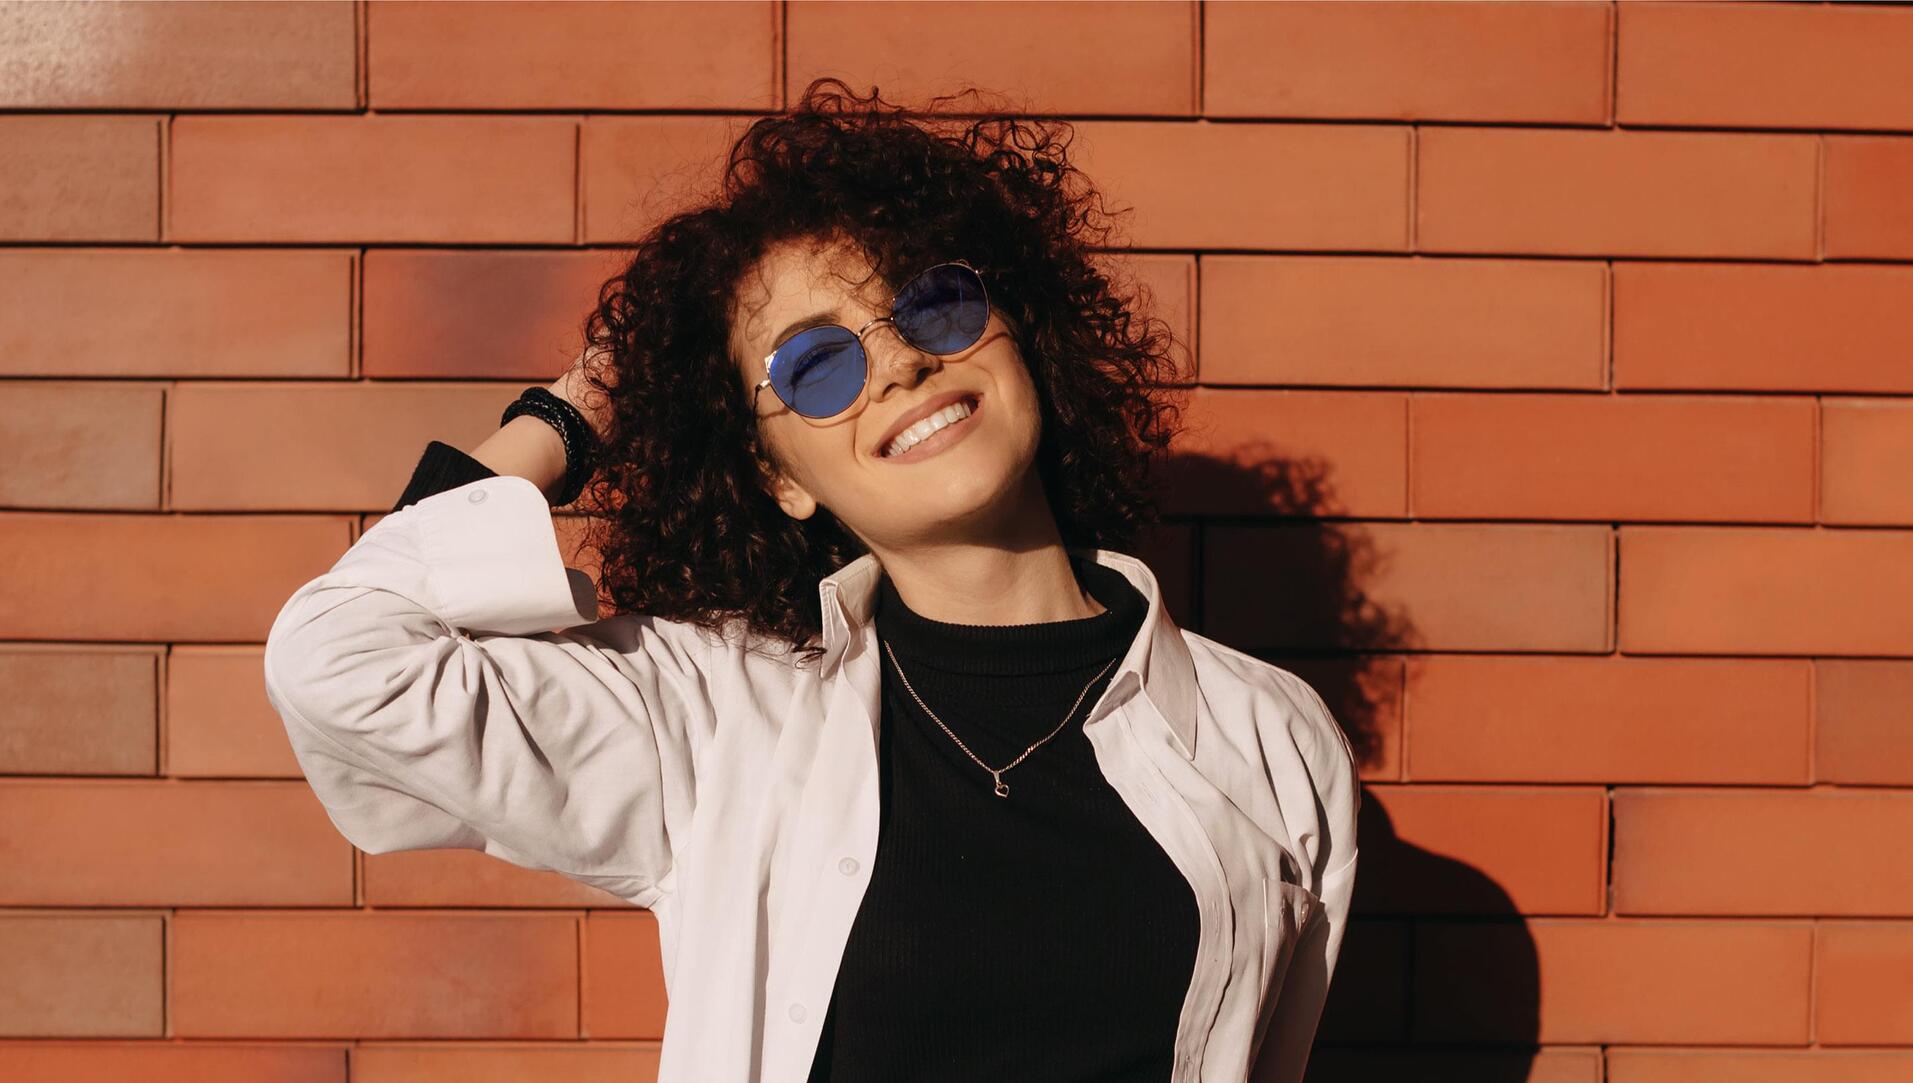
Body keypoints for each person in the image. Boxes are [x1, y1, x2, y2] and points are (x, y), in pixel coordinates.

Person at [263, 78, 1359, 1083]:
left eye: (934, 304)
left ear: (1022, 336)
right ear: (779, 478)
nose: (897, 362)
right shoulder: (717, 720)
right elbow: (343, 665)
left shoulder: (1269, 737)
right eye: (815, 364)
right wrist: (574, 414)